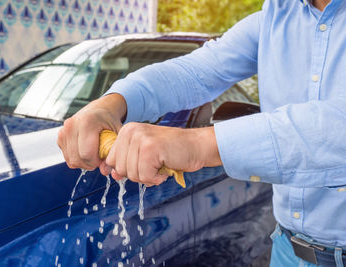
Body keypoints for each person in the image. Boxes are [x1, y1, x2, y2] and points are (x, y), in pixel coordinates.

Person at [57, 0, 346, 266]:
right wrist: (112, 104)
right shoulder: (276, 15)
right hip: (287, 251)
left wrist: (198, 144)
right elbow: (196, 71)